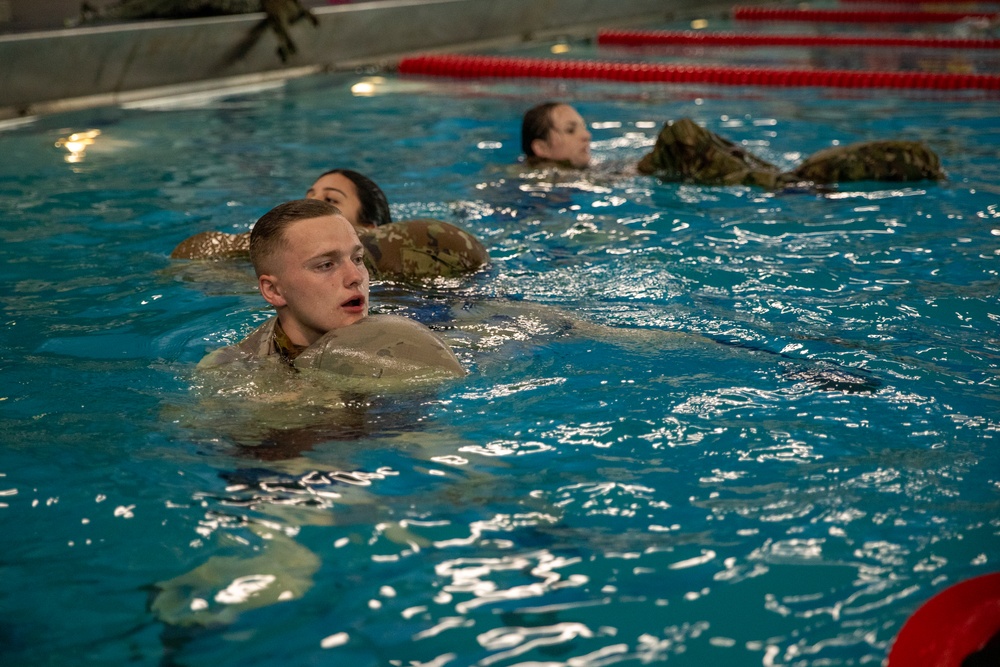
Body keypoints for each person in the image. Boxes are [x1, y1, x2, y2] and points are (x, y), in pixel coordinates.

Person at [198, 199, 466, 379]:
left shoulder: (411, 341)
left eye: (358, 259)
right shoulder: (232, 371)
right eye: (326, 265)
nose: (355, 277)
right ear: (274, 291)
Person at [520, 102, 945, 187]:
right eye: (573, 129)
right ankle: (787, 181)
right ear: (541, 147)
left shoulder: (572, 175)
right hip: (666, 172)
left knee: (681, 132)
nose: (587, 135)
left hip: (665, 171)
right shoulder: (540, 184)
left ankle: (787, 182)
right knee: (680, 132)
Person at [170, 169, 490, 280]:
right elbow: (193, 252)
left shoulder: (406, 251)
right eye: (309, 197)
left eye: (330, 201)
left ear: (368, 226)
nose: (313, 206)